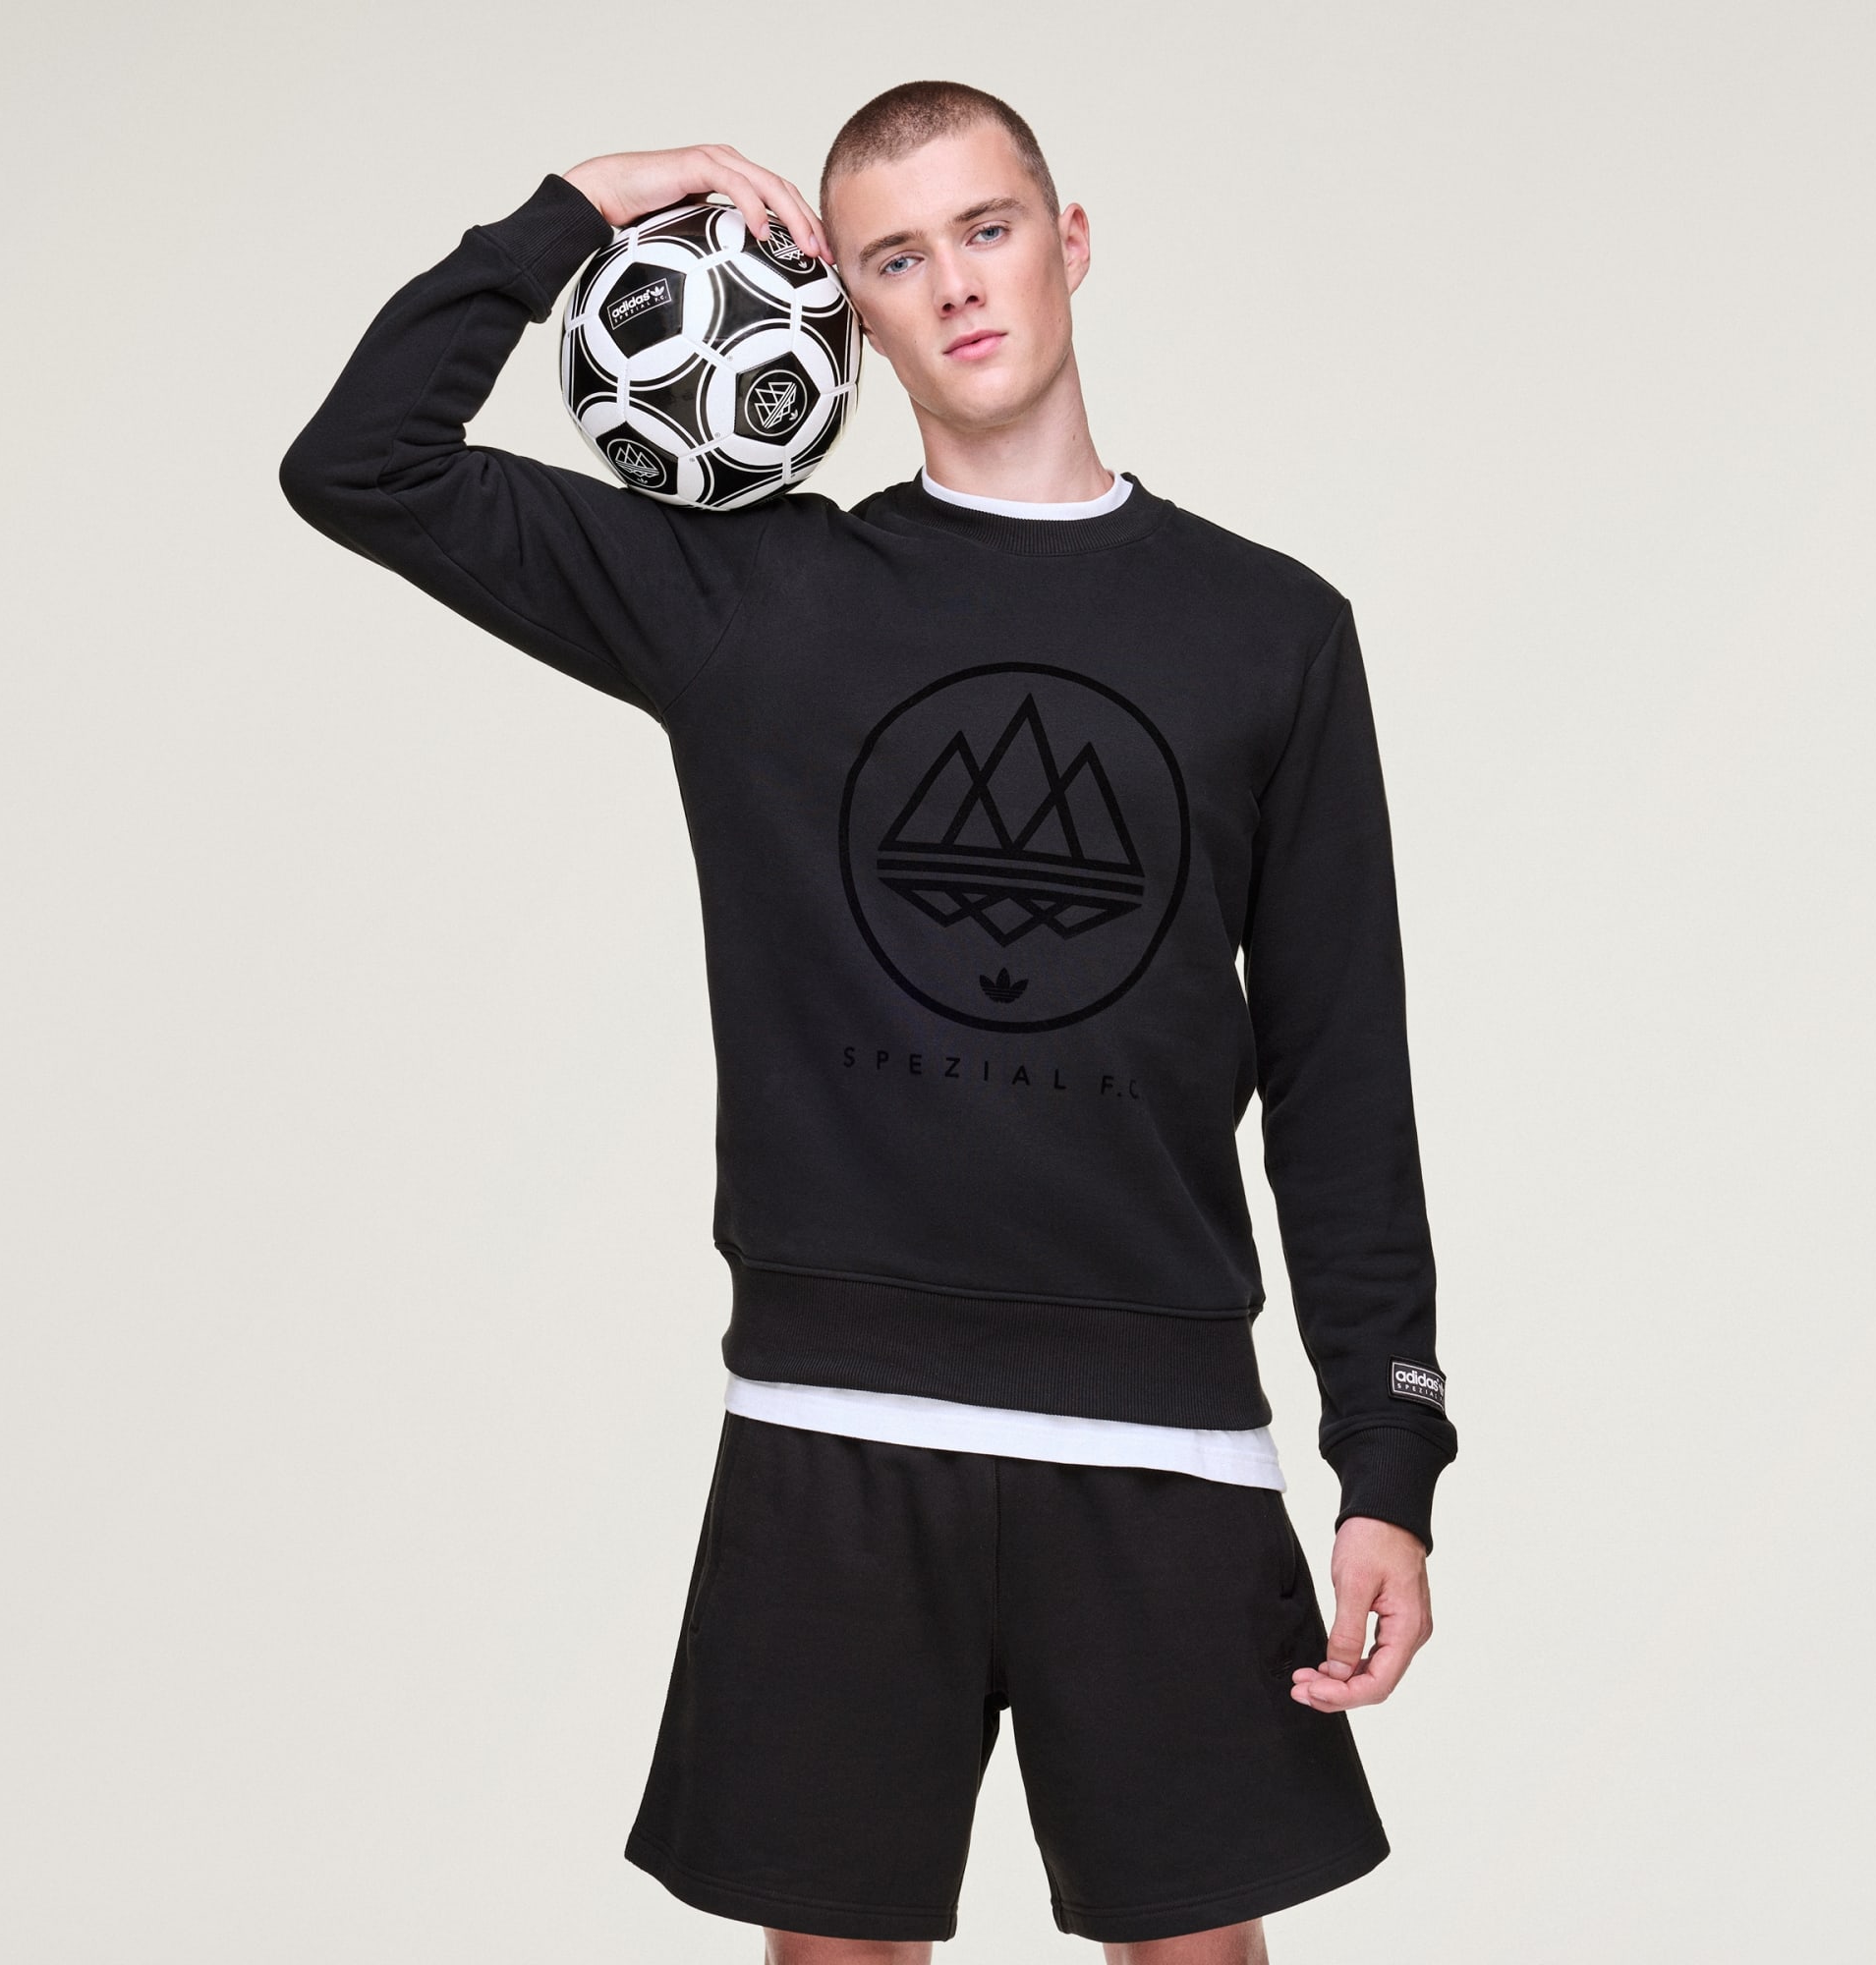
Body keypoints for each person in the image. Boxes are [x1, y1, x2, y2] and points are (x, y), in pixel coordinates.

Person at [279, 79, 1457, 1965]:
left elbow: (1339, 1073)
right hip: (830, 1428)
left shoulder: (1272, 631)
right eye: (897, 259)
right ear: (843, 311)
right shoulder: (752, 600)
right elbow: (364, 463)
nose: (960, 286)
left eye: (989, 230)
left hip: (1158, 1438)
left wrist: (1386, 1465)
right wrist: (587, 201)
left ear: (1070, 244)